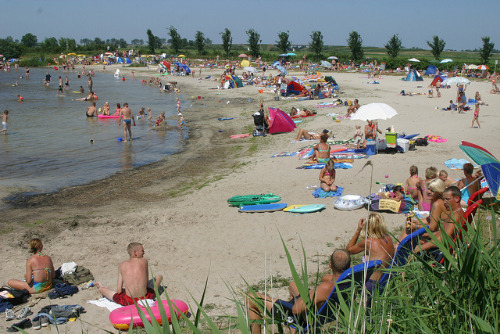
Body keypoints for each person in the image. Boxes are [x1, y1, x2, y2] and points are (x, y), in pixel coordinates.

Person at [246, 249, 351, 334]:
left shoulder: (326, 288)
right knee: (293, 285)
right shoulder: (351, 281)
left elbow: (296, 309)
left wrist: (311, 293)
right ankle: (294, 328)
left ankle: (295, 323)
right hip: (318, 311)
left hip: (300, 313)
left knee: (251, 298)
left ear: (330, 265)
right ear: (349, 266)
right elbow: (326, 278)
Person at [96, 242, 163, 306]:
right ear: (135, 252)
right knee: (159, 277)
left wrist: (127, 286)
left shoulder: (122, 265)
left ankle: (101, 287)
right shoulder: (144, 261)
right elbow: (146, 283)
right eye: (142, 251)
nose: (144, 253)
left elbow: (119, 291)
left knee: (103, 290)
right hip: (145, 299)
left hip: (128, 301)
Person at [346, 213, 395, 290]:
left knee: (344, 267)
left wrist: (358, 230)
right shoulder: (387, 237)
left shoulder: (369, 242)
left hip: (371, 283)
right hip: (385, 277)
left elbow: (349, 250)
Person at [414, 186, 464, 254]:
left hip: (441, 250)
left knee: (412, 245)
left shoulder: (456, 216)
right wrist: (425, 235)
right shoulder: (454, 213)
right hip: (438, 244)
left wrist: (420, 248)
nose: (444, 202)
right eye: (444, 199)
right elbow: (441, 233)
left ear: (457, 199)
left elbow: (443, 238)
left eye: (447, 199)